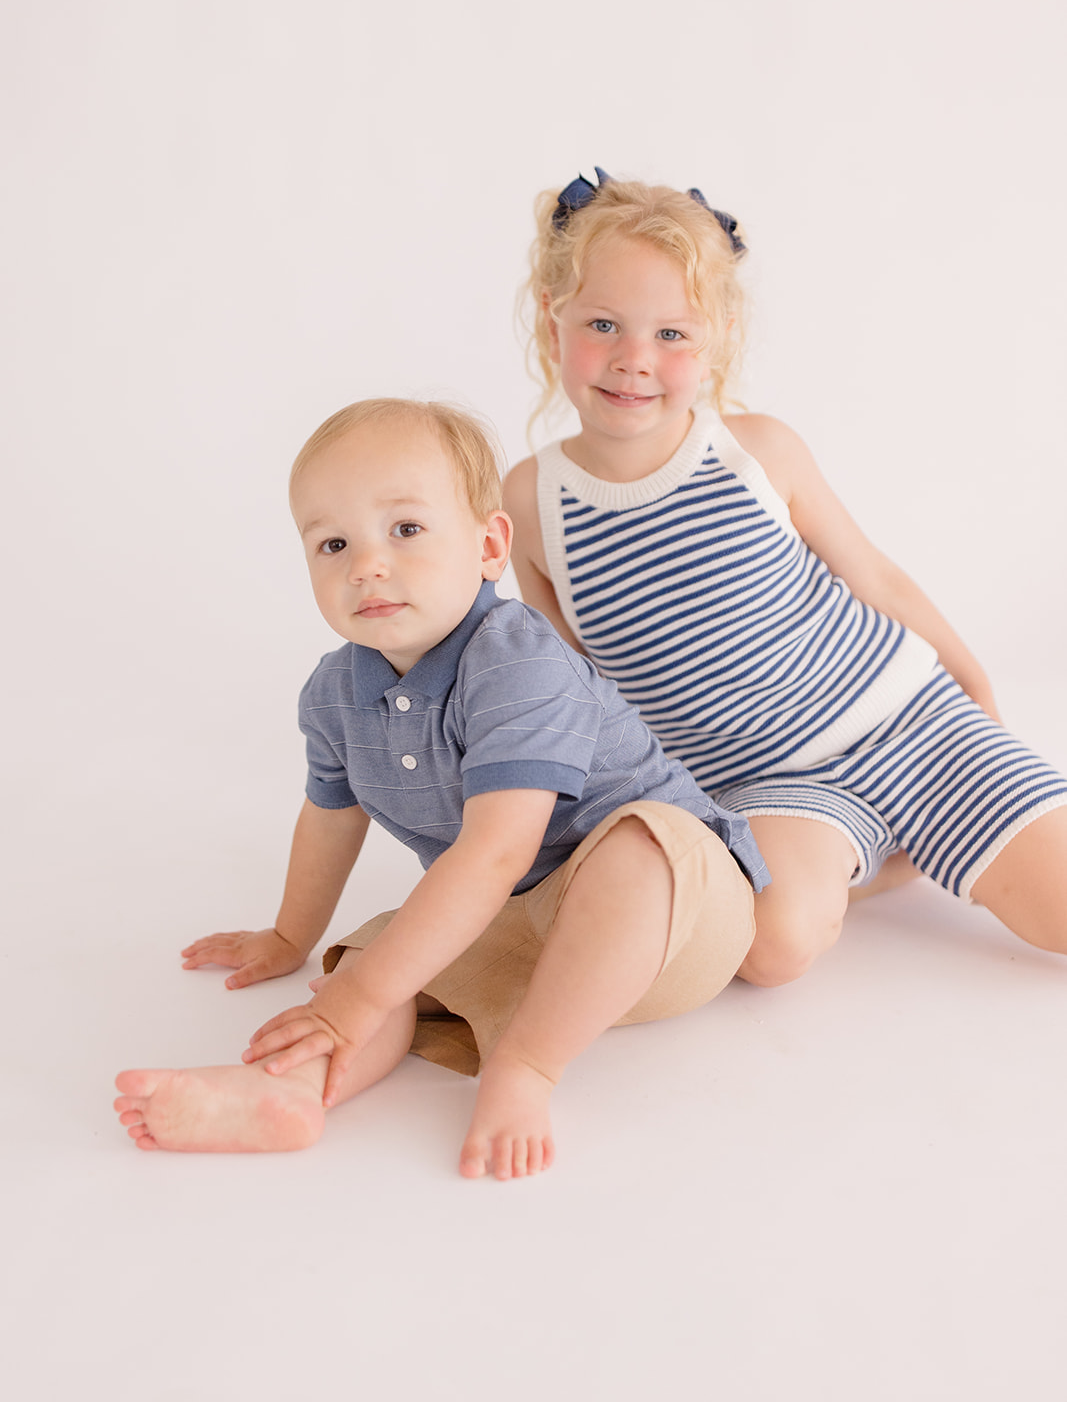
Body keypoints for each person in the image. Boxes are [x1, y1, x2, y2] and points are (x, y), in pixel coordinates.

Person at [114, 398, 767, 1179]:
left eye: (406, 530)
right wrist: (293, 938)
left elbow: (494, 853)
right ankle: (291, 1093)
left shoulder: (516, 661)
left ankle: (525, 1066)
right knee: (371, 961)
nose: (366, 565)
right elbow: (329, 819)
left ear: (489, 546)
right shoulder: (333, 694)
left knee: (635, 847)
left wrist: (356, 997)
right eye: (332, 543)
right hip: (522, 926)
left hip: (674, 922)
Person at [504, 169, 1067, 988]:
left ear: (718, 335)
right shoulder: (530, 503)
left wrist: (970, 681)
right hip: (765, 786)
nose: (634, 360)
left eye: (671, 334)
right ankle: (875, 857)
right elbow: (572, 692)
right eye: (602, 324)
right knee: (766, 951)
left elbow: (875, 575)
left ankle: (930, 834)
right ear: (552, 320)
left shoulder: (755, 451)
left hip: (906, 716)